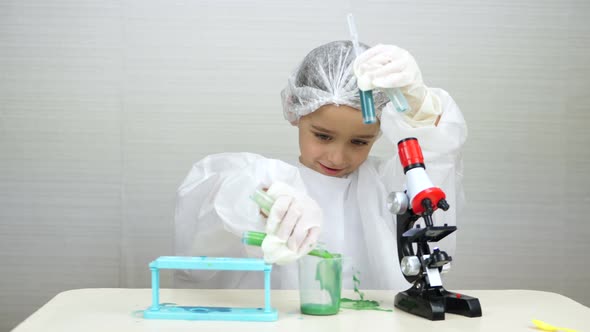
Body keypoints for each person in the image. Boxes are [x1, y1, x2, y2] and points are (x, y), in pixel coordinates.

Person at [174, 41, 467, 290]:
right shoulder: (269, 181)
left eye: (359, 142)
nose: (337, 158)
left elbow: (434, 163)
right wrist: (264, 199)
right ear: (295, 110)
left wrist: (422, 110)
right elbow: (214, 201)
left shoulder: (386, 189)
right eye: (323, 136)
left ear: (379, 132)